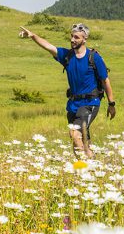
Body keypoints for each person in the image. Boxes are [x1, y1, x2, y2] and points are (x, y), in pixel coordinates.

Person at [19, 22, 115, 158]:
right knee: (79, 140)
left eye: (76, 37)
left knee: (75, 133)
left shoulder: (94, 58)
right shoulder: (67, 56)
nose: (72, 40)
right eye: (71, 36)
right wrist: (33, 36)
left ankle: (85, 166)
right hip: (72, 105)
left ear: (84, 39)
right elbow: (48, 46)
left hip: (90, 103)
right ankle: (90, 163)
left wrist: (111, 104)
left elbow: (105, 81)